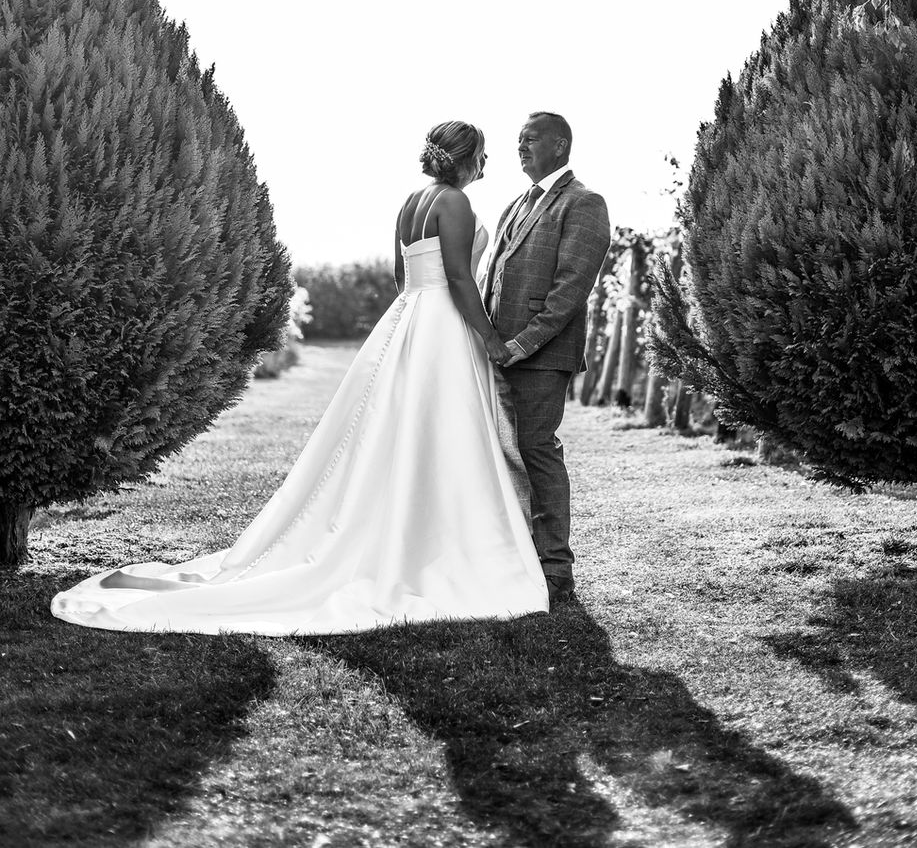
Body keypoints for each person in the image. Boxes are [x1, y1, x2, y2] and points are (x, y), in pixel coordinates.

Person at [51, 121, 548, 635]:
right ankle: (442, 543)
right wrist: (489, 339)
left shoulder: (411, 201)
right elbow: (462, 278)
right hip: (443, 324)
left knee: (394, 430)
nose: (488, 163)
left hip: (409, 318)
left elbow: (404, 279)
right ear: (466, 158)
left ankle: (403, 527)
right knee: (444, 431)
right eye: (484, 154)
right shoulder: (457, 204)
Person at [483, 112, 610, 607]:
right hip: (499, 351)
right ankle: (516, 557)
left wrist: (522, 344)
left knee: (537, 451)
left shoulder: (584, 203)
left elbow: (569, 291)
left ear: (560, 146)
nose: (520, 147)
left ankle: (555, 569)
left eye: (530, 139)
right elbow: (494, 276)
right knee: (505, 455)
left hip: (539, 355)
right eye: (517, 140)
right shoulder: (516, 204)